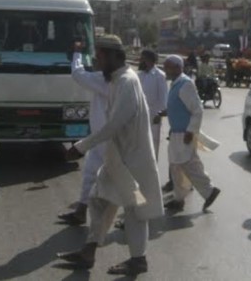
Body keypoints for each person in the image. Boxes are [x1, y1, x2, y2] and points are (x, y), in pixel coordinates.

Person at [59, 35, 162, 276]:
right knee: (97, 200)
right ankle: (89, 251)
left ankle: (138, 260)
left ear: (115, 56)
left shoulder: (126, 81)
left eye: (101, 57)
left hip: (132, 163)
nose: (98, 62)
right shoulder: (116, 80)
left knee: (135, 212)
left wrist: (80, 147)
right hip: (118, 159)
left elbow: (113, 124)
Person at [57, 42, 108, 226]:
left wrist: (77, 53)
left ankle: (138, 214)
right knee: (89, 175)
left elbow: (77, 73)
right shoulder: (104, 77)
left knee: (123, 183)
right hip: (98, 139)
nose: (94, 63)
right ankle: (80, 212)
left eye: (97, 59)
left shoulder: (103, 78)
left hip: (110, 140)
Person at [163, 55, 221, 212]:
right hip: (176, 134)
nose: (165, 69)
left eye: (167, 66)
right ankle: (179, 198)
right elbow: (178, 107)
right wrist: (164, 113)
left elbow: (197, 110)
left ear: (177, 67)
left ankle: (209, 191)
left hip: (184, 134)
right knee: (177, 167)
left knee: (190, 166)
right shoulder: (176, 84)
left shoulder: (185, 84)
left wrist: (190, 131)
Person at [138, 49, 168, 160]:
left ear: (149, 60)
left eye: (142, 58)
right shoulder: (140, 75)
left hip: (153, 116)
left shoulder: (160, 76)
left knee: (153, 145)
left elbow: (163, 98)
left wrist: (159, 115)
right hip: (140, 116)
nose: (140, 61)